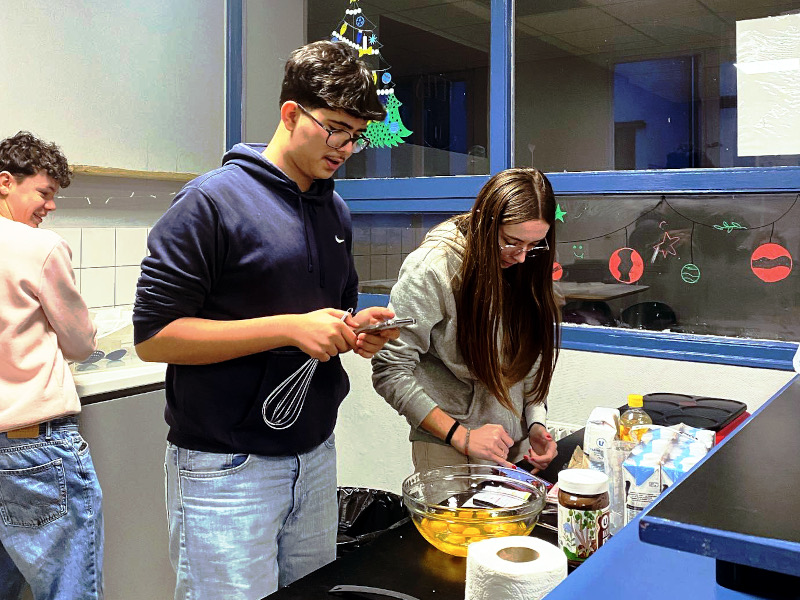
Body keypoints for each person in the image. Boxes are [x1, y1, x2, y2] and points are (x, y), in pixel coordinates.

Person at [133, 41, 397, 600]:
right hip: (226, 468)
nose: (347, 148)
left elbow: (326, 314)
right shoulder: (210, 203)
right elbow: (154, 338)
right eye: (335, 130)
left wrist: (353, 330)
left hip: (315, 456)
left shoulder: (334, 209)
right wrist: (289, 327)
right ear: (290, 113)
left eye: (357, 136)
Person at [372, 168, 561, 474]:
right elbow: (390, 370)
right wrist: (461, 436)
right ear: (486, 224)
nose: (521, 256)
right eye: (511, 242)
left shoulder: (524, 263)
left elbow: (530, 358)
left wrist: (536, 422)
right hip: (449, 446)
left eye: (533, 245)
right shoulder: (432, 269)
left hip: (513, 445)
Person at [0, 131, 102, 600]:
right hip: (34, 452)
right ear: (5, 182)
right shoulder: (37, 248)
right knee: (68, 590)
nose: (50, 206)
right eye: (43, 193)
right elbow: (80, 343)